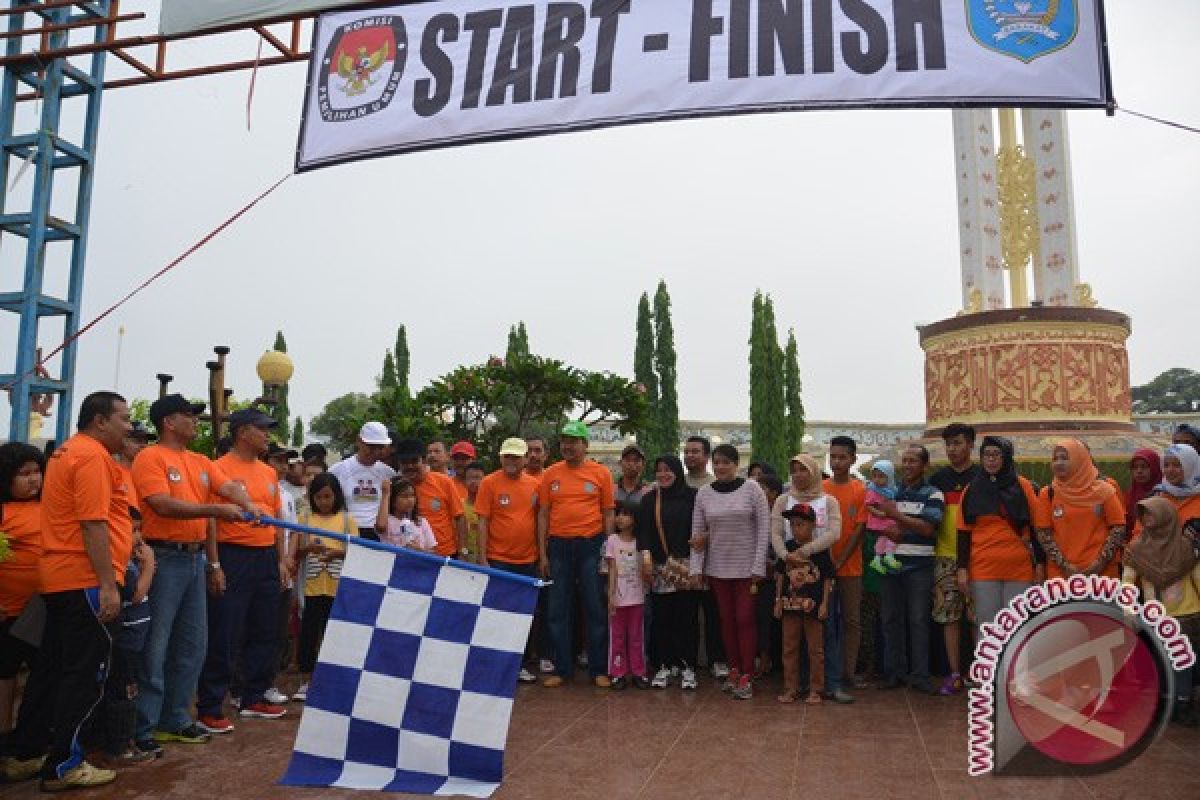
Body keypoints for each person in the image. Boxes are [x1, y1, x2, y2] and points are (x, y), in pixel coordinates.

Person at [4, 391, 132, 790]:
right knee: (83, 676)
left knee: (51, 671)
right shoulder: (91, 456)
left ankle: (26, 753)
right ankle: (64, 764)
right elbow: (92, 523)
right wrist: (108, 585)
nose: (129, 427)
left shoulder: (67, 453)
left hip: (61, 578)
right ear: (99, 421)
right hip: (84, 580)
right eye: (123, 418)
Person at [129, 393, 263, 752]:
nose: (195, 421)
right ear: (168, 422)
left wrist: (245, 502)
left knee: (192, 644)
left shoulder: (200, 460)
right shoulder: (150, 457)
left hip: (193, 561)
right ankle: (145, 724)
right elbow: (161, 504)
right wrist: (217, 510)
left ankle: (175, 717)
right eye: (189, 415)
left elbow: (228, 485)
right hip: (162, 558)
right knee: (157, 645)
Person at [196, 408, 288, 733]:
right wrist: (215, 563)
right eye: (263, 429)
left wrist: (281, 560)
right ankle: (209, 705)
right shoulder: (218, 469)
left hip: (265, 557)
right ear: (243, 431)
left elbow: (276, 520)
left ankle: (253, 696)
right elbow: (209, 520)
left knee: (265, 629)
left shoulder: (269, 472)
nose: (267, 435)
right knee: (225, 631)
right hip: (233, 555)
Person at [538, 421, 615, 688]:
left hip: (591, 546)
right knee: (558, 609)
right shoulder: (550, 474)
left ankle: (598, 669)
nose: (567, 446)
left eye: (573, 441)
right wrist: (543, 554)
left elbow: (608, 513)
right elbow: (544, 514)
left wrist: (609, 550)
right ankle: (562, 668)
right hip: (558, 547)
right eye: (564, 441)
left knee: (595, 607)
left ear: (585, 444)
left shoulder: (601, 473)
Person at [691, 443, 769, 700]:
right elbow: (697, 534)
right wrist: (695, 568)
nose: (721, 467)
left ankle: (748, 672)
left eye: (726, 462)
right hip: (717, 568)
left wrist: (759, 565)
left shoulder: (752, 488)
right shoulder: (703, 493)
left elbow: (763, 529)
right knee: (726, 621)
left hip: (747, 569)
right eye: (717, 462)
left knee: (745, 620)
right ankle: (734, 669)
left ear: (737, 465)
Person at [769, 453, 847, 702]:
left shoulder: (828, 501)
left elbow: (835, 532)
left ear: (814, 472)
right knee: (791, 639)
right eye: (794, 470)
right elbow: (776, 533)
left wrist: (807, 550)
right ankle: (796, 686)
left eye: (803, 470)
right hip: (791, 575)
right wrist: (785, 555)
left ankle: (829, 685)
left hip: (820, 571)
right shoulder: (783, 499)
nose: (798, 475)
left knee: (825, 635)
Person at [955, 437, 1042, 653]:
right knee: (987, 625)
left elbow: (1037, 528)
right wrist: (962, 569)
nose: (991, 460)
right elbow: (963, 532)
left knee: (1018, 624)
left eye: (996, 455)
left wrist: (1040, 564)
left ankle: (1016, 679)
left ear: (1006, 457)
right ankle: (990, 680)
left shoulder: (1023, 486)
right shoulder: (971, 489)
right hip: (983, 568)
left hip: (1019, 568)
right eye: (987, 455)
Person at [1123, 497, 1200, 726]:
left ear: (1166, 515)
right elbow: (1127, 581)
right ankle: (1164, 704)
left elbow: (1198, 578)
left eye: (1151, 513)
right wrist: (1128, 609)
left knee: (1184, 663)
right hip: (1156, 617)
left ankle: (1182, 704)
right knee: (1159, 661)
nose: (1147, 519)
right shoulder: (1136, 548)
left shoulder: (1186, 548)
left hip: (1187, 616)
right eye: (1143, 514)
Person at [875, 445, 944, 694]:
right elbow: (877, 519)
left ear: (925, 466)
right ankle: (895, 673)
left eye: (913, 461)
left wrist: (897, 517)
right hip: (890, 566)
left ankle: (920, 675)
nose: (907, 465)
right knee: (891, 620)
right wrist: (887, 526)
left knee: (918, 621)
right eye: (905, 461)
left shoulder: (933, 494)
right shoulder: (890, 492)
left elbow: (928, 528)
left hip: (919, 566)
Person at [475, 438, 542, 683]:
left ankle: (519, 664)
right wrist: (482, 558)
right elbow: (482, 521)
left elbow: (541, 521)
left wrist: (541, 557)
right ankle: (495, 666)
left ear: (526, 459)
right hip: (498, 560)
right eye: (507, 456)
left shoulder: (536, 485)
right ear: (500, 458)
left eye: (516, 457)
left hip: (528, 560)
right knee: (497, 614)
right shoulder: (489, 483)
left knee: (523, 616)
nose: (511, 461)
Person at [636, 455, 700, 690]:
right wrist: (646, 562)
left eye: (668, 470)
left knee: (686, 618)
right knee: (662, 618)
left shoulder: (693, 496)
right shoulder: (649, 499)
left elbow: (701, 528)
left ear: (678, 471)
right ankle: (664, 664)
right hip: (661, 567)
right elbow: (643, 533)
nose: (663, 474)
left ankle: (688, 667)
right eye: (659, 470)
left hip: (686, 566)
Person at [292, 473, 354, 702]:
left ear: (336, 496)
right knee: (309, 633)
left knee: (334, 634)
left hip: (338, 587)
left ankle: (333, 680)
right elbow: (297, 550)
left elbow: (357, 550)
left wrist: (338, 553)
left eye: (328, 496)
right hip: (311, 586)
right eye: (319, 497)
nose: (324, 502)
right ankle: (306, 679)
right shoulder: (305, 519)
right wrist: (309, 549)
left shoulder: (347, 520)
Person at [928, 423, 979, 698]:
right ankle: (954, 673)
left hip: (978, 558)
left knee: (976, 616)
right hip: (945, 557)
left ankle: (980, 672)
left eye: (958, 443)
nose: (953, 449)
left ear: (971, 444)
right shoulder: (938, 481)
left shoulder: (982, 477)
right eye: (948, 444)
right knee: (949, 617)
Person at [0, 443, 44, 742]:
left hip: (43, 609)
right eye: (23, 473)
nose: (33, 479)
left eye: (37, 471)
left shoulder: (49, 506)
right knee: (5, 675)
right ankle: (4, 733)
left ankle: (29, 735)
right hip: (8, 612)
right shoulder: (3, 512)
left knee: (43, 674)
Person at [1034, 439, 1126, 582]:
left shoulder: (1105, 491)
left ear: (1080, 460)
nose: (1058, 463)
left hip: (1102, 576)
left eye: (1064, 458)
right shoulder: (1048, 493)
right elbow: (1043, 533)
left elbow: (1118, 528)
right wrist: (1065, 567)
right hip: (1061, 577)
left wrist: (1098, 565)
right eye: (1055, 458)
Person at [775, 504, 835, 705]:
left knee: (815, 650)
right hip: (790, 605)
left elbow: (827, 578)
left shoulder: (819, 549)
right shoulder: (788, 549)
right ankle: (791, 688)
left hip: (813, 607)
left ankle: (816, 689)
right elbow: (781, 576)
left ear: (812, 526)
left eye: (800, 524)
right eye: (792, 525)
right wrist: (777, 601)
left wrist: (825, 603)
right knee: (789, 647)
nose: (795, 529)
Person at [823, 436, 868, 693]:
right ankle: (829, 673)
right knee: (826, 619)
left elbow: (860, 529)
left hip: (851, 567)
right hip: (825, 566)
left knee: (851, 620)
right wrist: (828, 559)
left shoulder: (860, 490)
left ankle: (848, 673)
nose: (837, 462)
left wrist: (840, 559)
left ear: (853, 459)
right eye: (833, 457)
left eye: (842, 457)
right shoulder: (821, 489)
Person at [683, 435, 726, 679]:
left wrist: (707, 537)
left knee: (713, 613)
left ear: (706, 456)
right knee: (688, 614)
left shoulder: (716, 484)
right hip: (685, 559)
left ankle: (717, 659)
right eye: (687, 451)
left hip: (716, 559)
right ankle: (690, 660)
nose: (690, 455)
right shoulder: (676, 483)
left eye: (695, 451)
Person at [392, 439, 466, 557]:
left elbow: (460, 517)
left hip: (444, 554)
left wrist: (463, 551)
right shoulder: (395, 486)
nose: (410, 466)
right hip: (406, 554)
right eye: (405, 462)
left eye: (414, 461)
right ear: (399, 464)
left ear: (424, 460)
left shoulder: (444, 482)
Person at [329, 421, 395, 542]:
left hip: (378, 536)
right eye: (371, 446)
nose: (375, 452)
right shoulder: (338, 470)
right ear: (359, 441)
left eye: (379, 447)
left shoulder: (388, 473)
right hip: (345, 533)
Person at [606, 502, 649, 689]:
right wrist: (611, 595)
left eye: (625, 514)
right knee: (617, 637)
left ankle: (639, 672)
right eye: (618, 514)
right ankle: (617, 672)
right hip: (618, 598)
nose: (620, 518)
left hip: (637, 598)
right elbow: (612, 569)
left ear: (635, 518)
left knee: (636, 636)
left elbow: (647, 568)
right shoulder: (612, 541)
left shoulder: (641, 541)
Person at [376, 477, 437, 550]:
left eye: (412, 495)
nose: (410, 500)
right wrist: (385, 494)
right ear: (393, 500)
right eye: (404, 496)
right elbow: (381, 526)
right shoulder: (387, 520)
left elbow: (433, 551)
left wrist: (419, 550)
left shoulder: (421, 522)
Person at [865, 461, 902, 573]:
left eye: (881, 476)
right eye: (874, 476)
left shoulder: (892, 490)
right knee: (891, 536)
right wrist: (878, 513)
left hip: (887, 519)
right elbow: (868, 505)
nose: (877, 479)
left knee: (883, 539)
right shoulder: (873, 490)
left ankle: (877, 558)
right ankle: (889, 555)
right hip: (879, 521)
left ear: (889, 476)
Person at [1125, 448, 1163, 535]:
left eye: (1144, 467)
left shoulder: (1163, 494)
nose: (1139, 471)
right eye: (1135, 467)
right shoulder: (1130, 493)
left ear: (1155, 467)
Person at [460, 462, 486, 562]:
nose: (474, 482)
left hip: (485, 557)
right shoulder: (459, 506)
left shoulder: (490, 507)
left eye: (478, 478)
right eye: (470, 478)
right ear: (464, 481)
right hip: (465, 556)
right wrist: (464, 554)